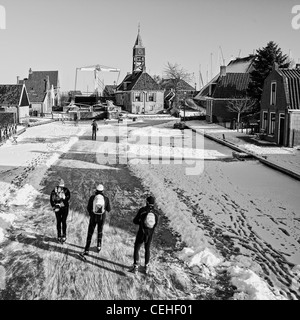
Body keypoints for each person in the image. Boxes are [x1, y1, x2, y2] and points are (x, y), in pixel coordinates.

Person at [129, 196, 158, 275]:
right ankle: (147, 266)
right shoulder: (156, 213)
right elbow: (155, 224)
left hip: (141, 233)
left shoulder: (142, 210)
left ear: (147, 202)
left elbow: (135, 221)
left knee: (137, 248)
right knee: (147, 249)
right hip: (150, 234)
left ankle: (135, 267)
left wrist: (141, 223)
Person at [81, 184, 111, 256]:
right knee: (100, 231)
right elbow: (109, 209)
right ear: (103, 191)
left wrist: (91, 214)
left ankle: (87, 249)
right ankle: (99, 246)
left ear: (96, 190)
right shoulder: (106, 198)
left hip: (93, 217)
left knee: (90, 232)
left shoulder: (92, 198)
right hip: (101, 218)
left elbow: (88, 208)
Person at [50, 179, 71, 243]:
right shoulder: (66, 190)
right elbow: (68, 198)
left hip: (58, 208)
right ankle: (63, 235)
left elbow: (51, 200)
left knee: (60, 221)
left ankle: (60, 235)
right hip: (64, 208)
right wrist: (63, 200)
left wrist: (54, 206)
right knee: (62, 221)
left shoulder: (54, 191)